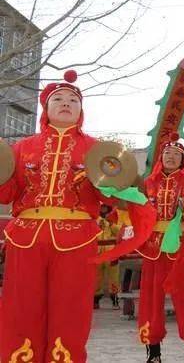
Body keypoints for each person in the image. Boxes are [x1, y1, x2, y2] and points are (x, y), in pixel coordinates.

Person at [0, 71, 151, 362]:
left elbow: (110, 196)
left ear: (81, 111)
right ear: (46, 108)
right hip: (26, 237)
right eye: (58, 98)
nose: (66, 103)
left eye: (73, 100)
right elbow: (6, 194)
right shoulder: (21, 148)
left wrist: (125, 183)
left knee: (70, 309)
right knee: (21, 307)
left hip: (77, 239)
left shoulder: (97, 150)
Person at [136, 139, 184, 362]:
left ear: (182, 160)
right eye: (167, 153)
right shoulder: (149, 183)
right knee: (151, 299)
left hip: (181, 247)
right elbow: (137, 211)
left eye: (176, 155)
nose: (171, 157)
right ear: (161, 157)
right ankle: (154, 352)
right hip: (153, 249)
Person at [94, 204, 123, 310]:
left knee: (114, 277)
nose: (103, 209)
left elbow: (120, 232)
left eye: (105, 207)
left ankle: (115, 300)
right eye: (101, 207)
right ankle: (95, 300)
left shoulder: (114, 216)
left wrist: (111, 224)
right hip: (98, 251)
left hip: (111, 251)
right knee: (97, 277)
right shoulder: (94, 218)